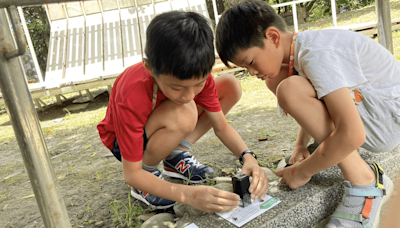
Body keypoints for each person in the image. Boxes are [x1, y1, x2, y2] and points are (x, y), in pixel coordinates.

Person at [215, 1, 400, 227]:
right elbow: (323, 97)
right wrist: (300, 145)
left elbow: (353, 135)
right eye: (245, 68)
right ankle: (346, 162)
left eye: (251, 62)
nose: (252, 73)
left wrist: (302, 172)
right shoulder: (301, 51)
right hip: (378, 113)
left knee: (289, 89)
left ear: (273, 37)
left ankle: (366, 183)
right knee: (282, 83)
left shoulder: (316, 53)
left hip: (390, 120)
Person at [97, 11, 268, 213]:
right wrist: (187, 195)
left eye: (199, 84)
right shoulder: (133, 91)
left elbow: (221, 126)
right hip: (123, 143)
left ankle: (175, 154)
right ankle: (148, 174)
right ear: (150, 68)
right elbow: (131, 173)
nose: (189, 95)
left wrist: (248, 157)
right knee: (185, 112)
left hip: (160, 125)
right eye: (177, 88)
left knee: (230, 85)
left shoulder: (197, 75)